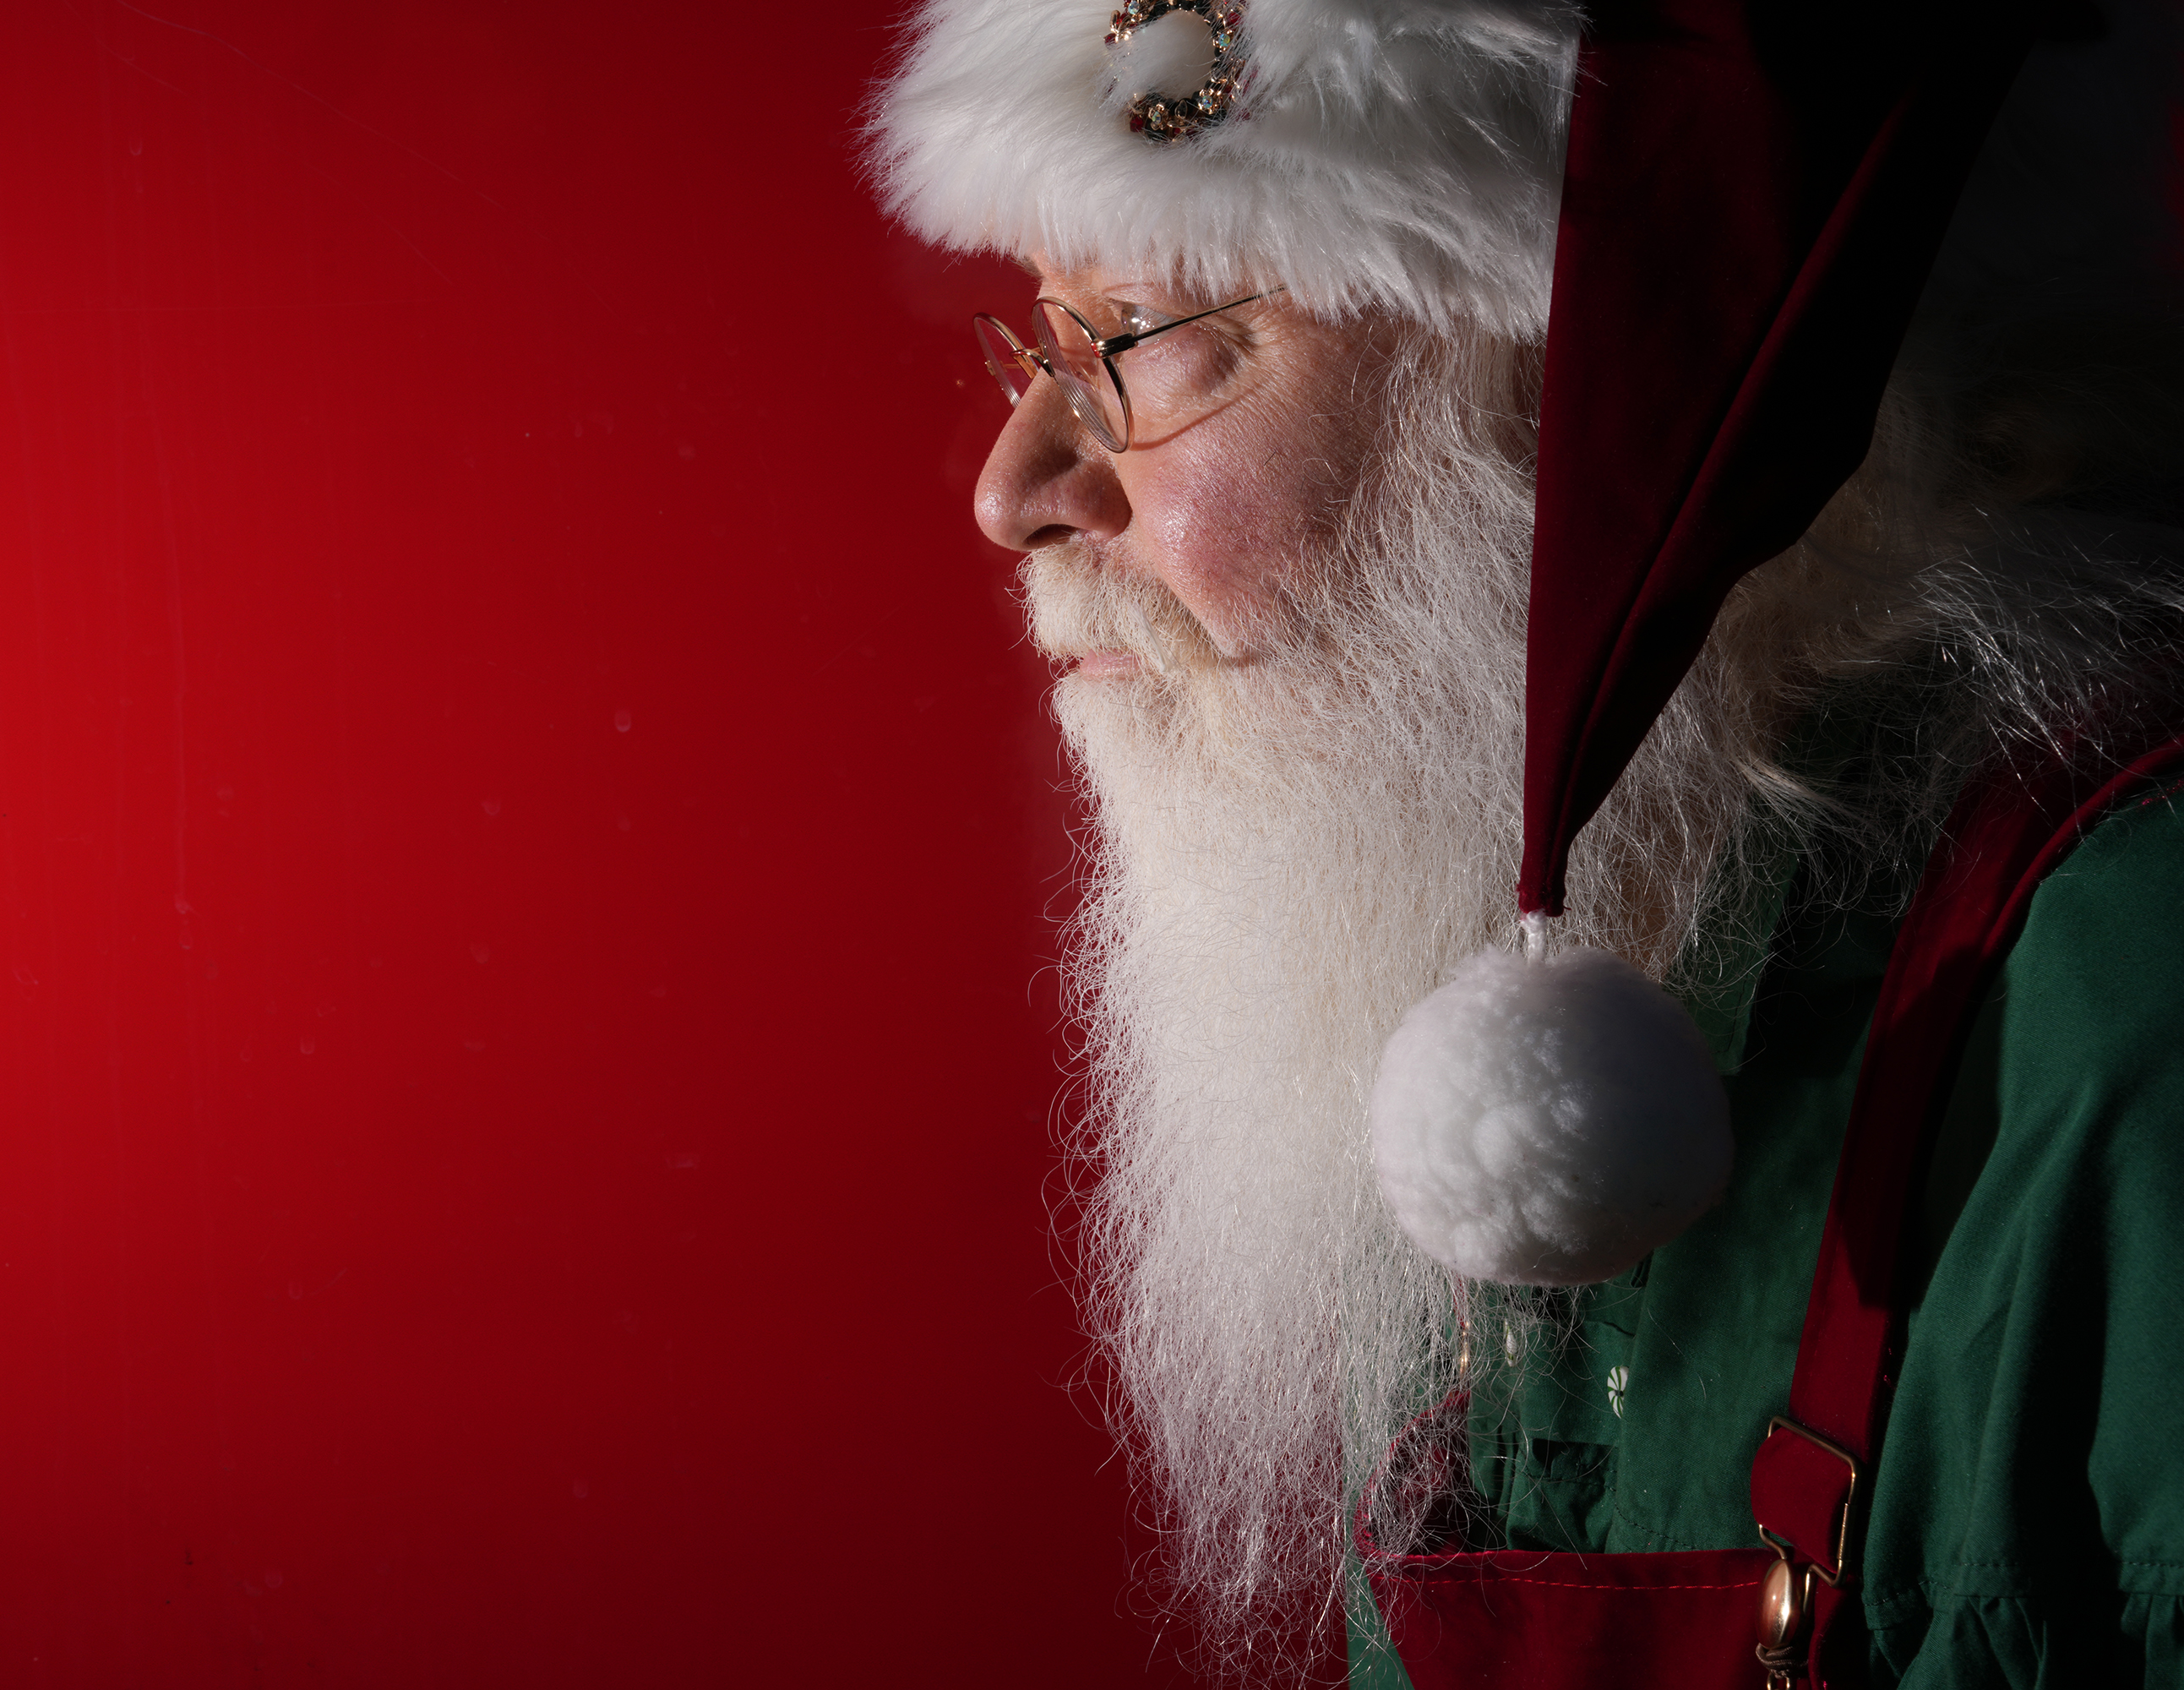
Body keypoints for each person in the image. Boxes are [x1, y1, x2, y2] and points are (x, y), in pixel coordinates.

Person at [869, 1, 2184, 1685]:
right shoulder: (1471, 928)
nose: (1016, 482)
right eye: (1045, 339)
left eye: (1136, 332)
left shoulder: (2130, 1014)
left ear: (1598, 382)